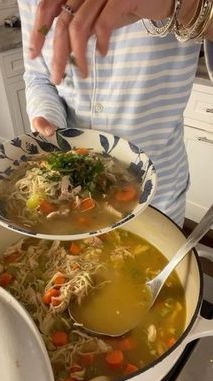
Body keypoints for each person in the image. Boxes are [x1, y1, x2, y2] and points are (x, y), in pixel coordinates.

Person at [17, 0, 213, 227]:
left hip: (158, 190)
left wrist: (182, 6)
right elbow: (38, 76)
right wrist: (49, 120)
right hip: (69, 199)